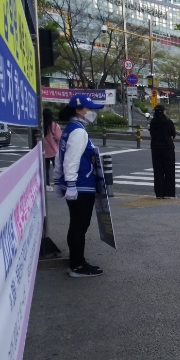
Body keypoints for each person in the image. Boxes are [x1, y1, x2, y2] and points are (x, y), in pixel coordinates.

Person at [53, 94, 105, 277]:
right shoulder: (78, 131)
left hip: (76, 185)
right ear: (78, 110)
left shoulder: (70, 129)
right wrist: (72, 184)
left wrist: (59, 181)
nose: (91, 113)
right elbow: (71, 160)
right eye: (89, 109)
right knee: (79, 226)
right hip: (82, 186)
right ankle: (78, 266)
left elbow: (60, 157)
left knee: (76, 224)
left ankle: (77, 261)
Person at [149, 105, 177, 199]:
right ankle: (170, 193)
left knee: (158, 172)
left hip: (156, 149)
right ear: (163, 112)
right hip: (167, 149)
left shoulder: (153, 122)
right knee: (169, 171)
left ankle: (159, 193)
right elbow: (173, 134)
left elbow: (152, 134)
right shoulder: (168, 122)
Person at [43, 108, 62, 192]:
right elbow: (59, 137)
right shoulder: (54, 125)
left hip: (44, 150)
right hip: (54, 150)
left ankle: (47, 185)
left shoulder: (41, 125)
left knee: (46, 168)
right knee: (57, 168)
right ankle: (59, 184)